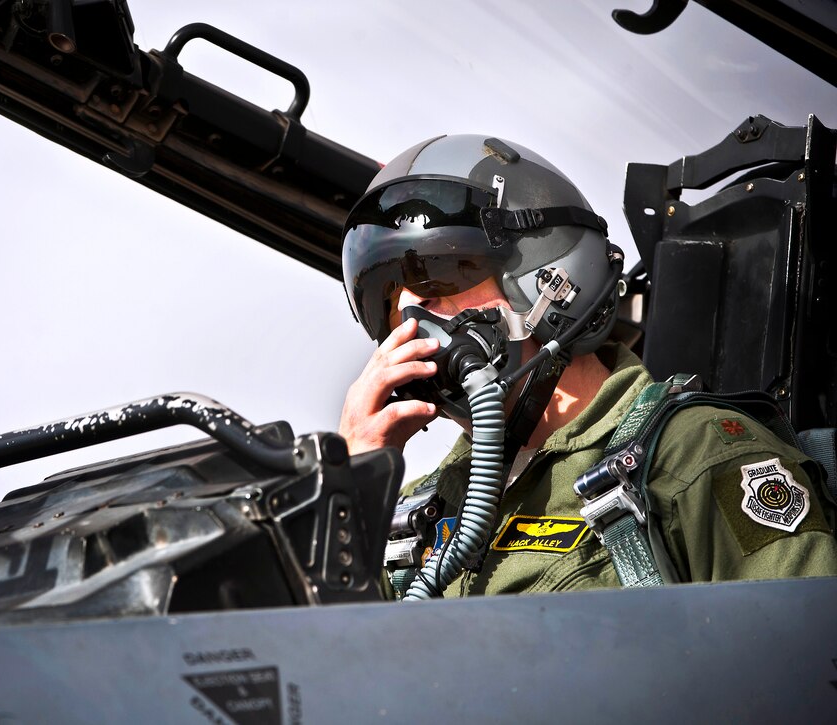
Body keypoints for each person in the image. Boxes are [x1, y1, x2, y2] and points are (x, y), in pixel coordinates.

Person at [338, 133, 837, 598]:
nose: (409, 317)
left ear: (547, 281)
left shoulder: (694, 457)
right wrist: (353, 490)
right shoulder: (412, 514)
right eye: (387, 301)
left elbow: (803, 673)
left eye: (436, 276)